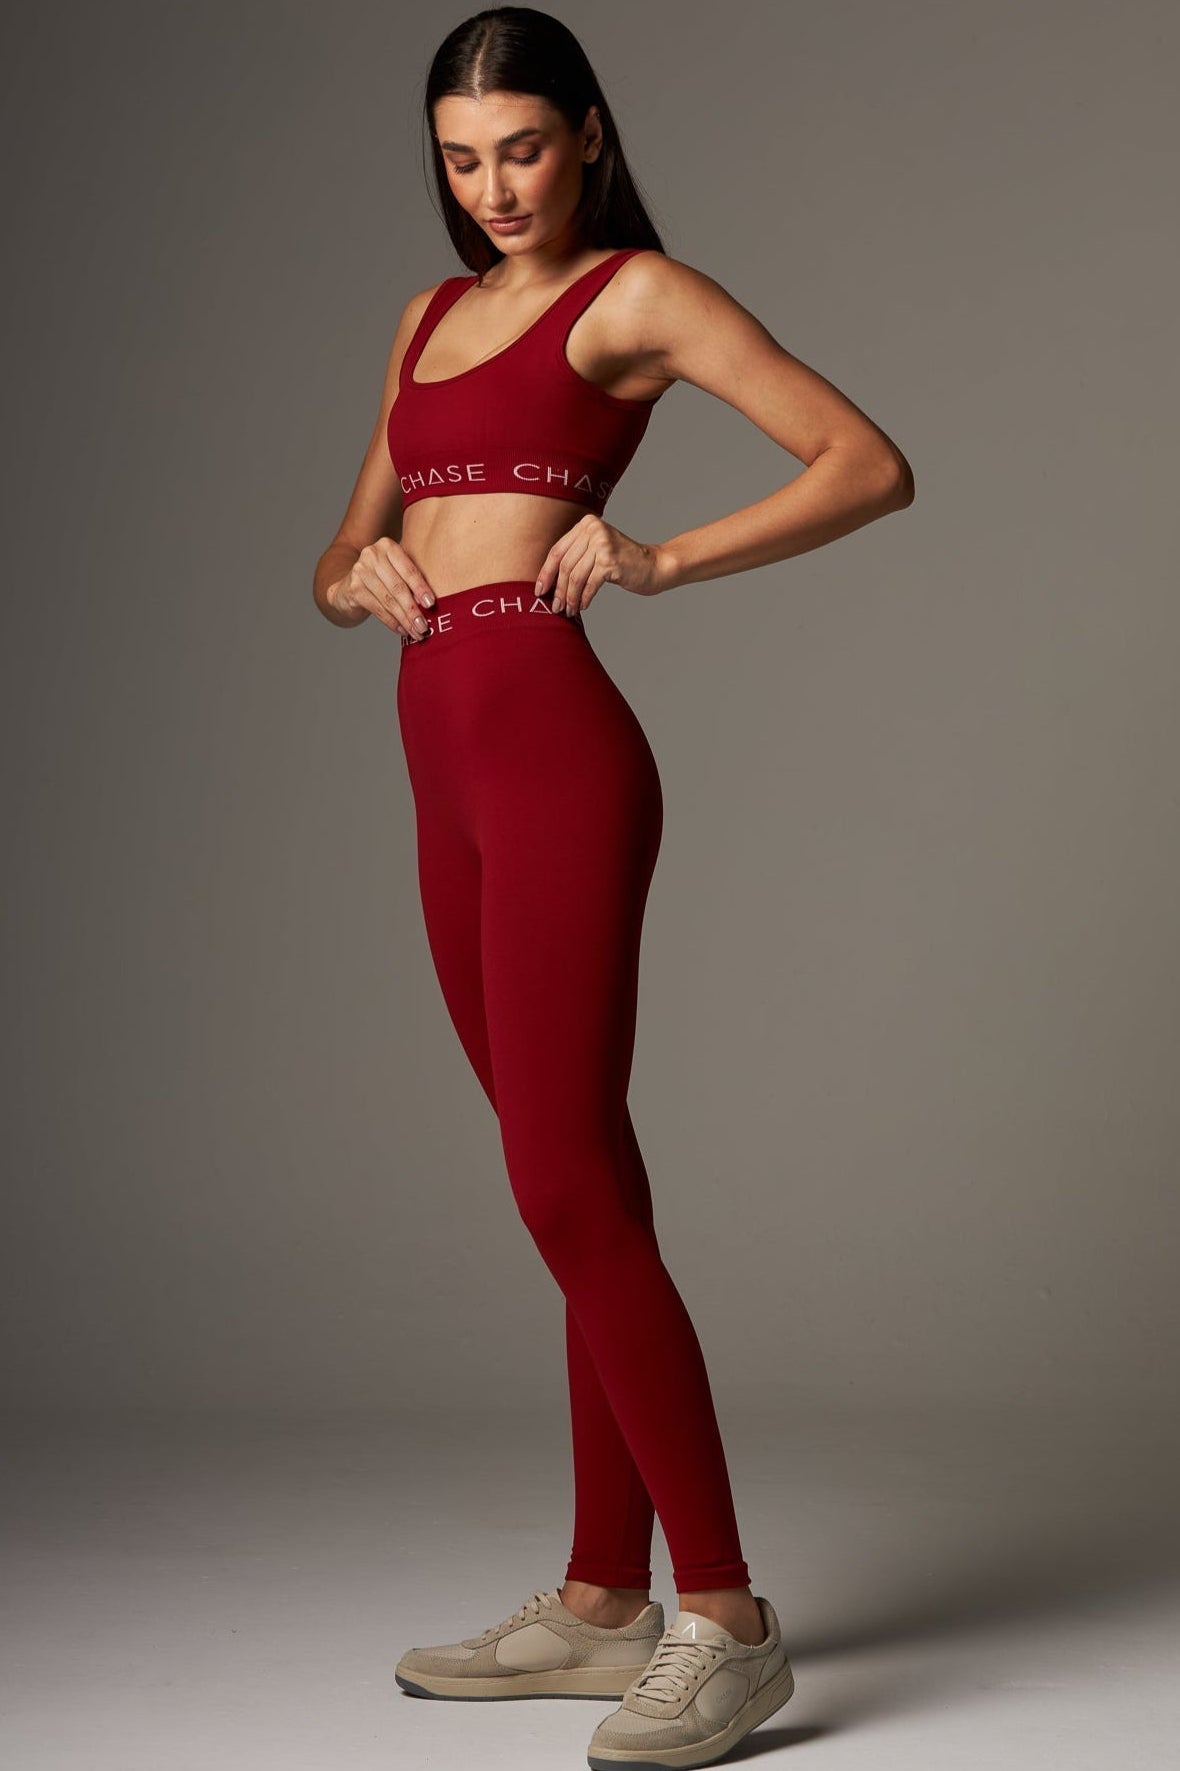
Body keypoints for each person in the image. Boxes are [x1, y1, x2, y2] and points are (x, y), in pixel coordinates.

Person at [312, 8, 913, 1766]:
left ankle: (723, 1614)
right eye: (460, 159)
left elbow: (867, 464)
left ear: (587, 134)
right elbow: (345, 543)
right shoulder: (423, 320)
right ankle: (598, 1600)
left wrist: (662, 558)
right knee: (574, 1178)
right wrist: (352, 581)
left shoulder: (634, 296)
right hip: (438, 757)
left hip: (554, 752)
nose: (494, 187)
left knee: (566, 1184)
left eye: (521, 148)